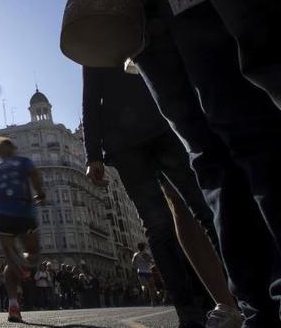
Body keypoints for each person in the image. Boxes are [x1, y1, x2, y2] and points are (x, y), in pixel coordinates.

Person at [61, 0, 281, 326]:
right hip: (149, 26)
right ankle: (255, 305)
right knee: (211, 161)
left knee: (246, 136)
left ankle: (266, 294)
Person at [82, 65, 225, 326]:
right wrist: (92, 153)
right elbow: (90, 95)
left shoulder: (134, 24)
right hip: (136, 137)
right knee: (167, 222)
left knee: (198, 210)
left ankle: (227, 298)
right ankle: (192, 310)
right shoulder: (98, 31)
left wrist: (93, 153)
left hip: (160, 125)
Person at [0, 137, 45, 323]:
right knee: (34, 252)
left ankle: (13, 304)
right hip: (24, 213)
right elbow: (34, 176)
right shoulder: (23, 161)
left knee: (10, 260)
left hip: (2, 218)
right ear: (12, 148)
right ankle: (24, 264)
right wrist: (40, 193)